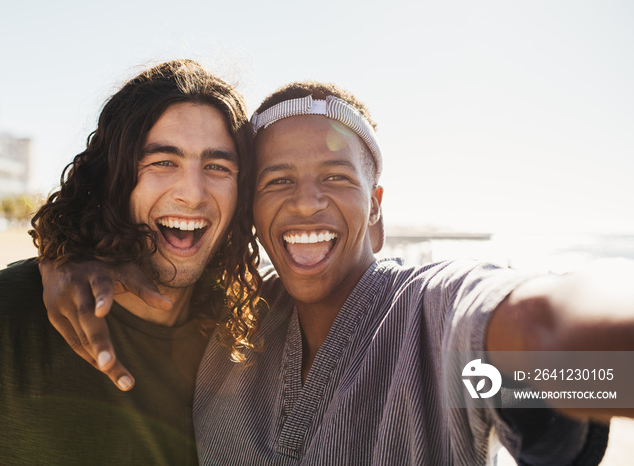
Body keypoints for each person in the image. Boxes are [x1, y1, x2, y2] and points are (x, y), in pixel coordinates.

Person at [39, 82, 634, 465]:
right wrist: (61, 257)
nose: (304, 203)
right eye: (277, 181)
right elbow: (149, 274)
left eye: (336, 177)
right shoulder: (231, 324)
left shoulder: (427, 316)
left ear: (375, 205)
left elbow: (535, 332)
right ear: (250, 209)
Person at [0, 59, 261, 465]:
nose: (192, 193)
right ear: (113, 177)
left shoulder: (248, 337)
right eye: (163, 161)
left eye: (217, 166)